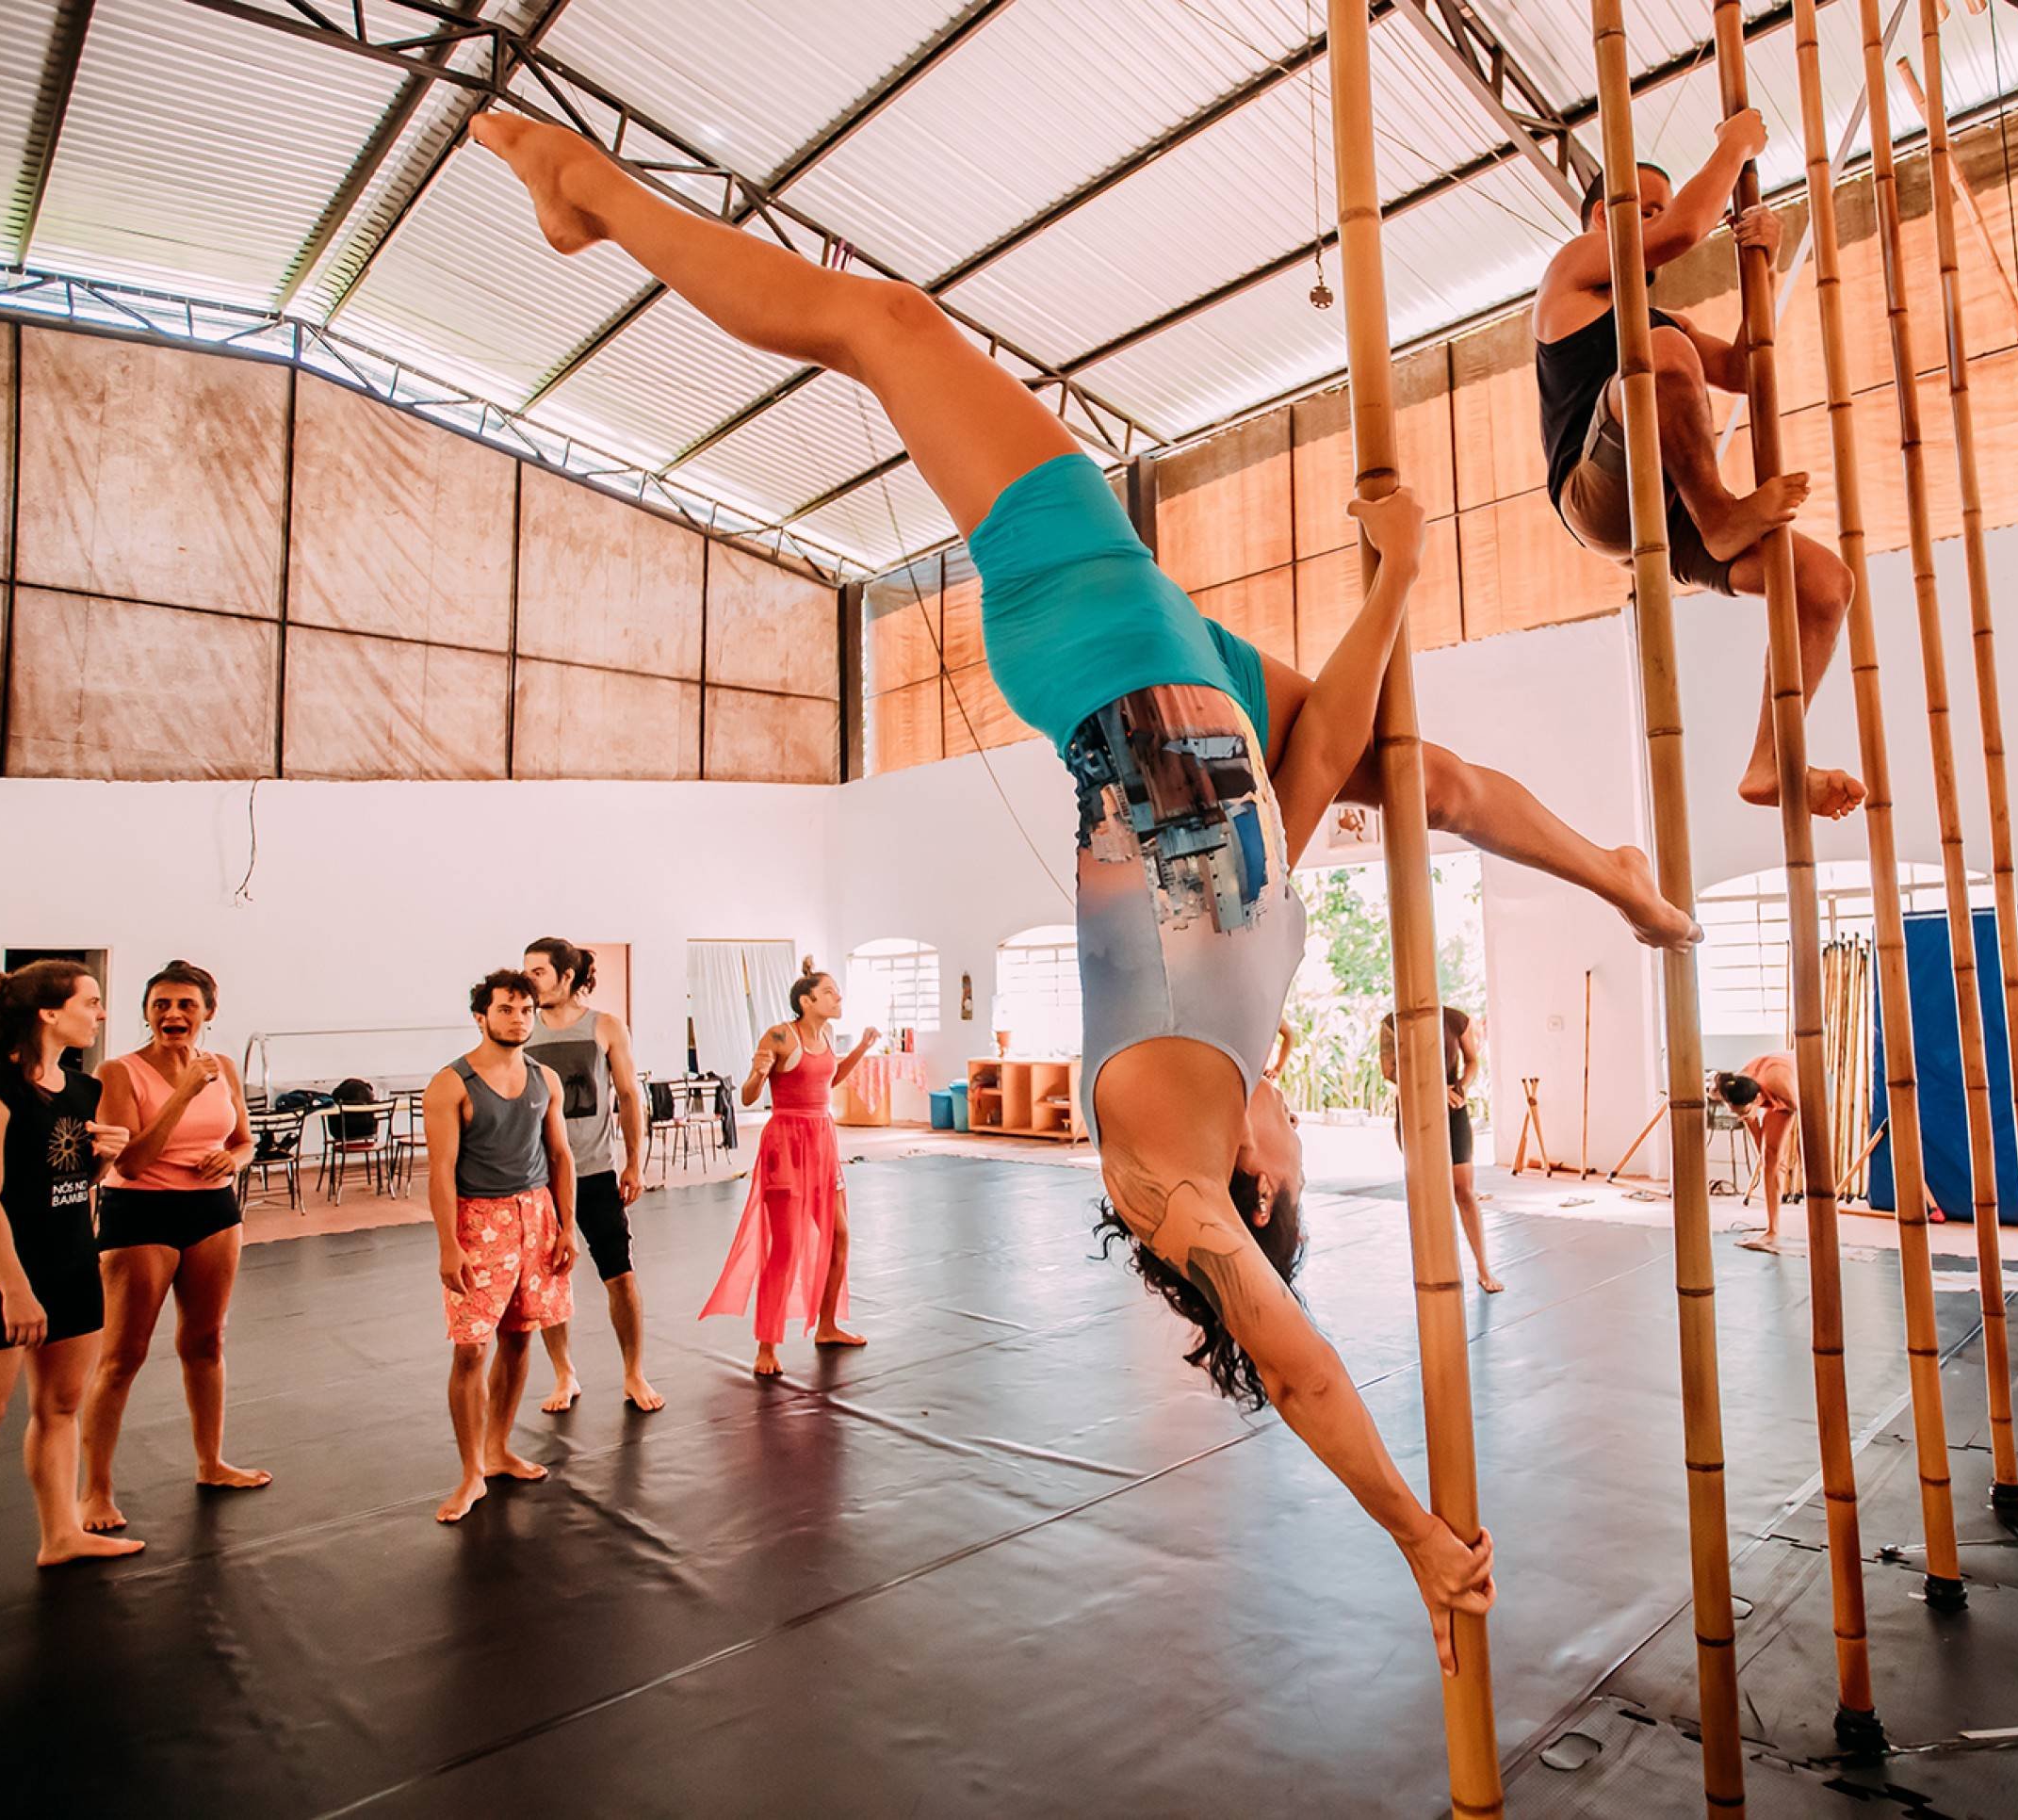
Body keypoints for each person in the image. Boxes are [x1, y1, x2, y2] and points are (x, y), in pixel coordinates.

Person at [473, 113, 1492, 1670]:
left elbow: (1284, 1364)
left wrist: (1415, 1534)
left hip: (1090, 659)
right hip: (1150, 658)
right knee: (884, 328)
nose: (1300, 1126)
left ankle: (591, 194)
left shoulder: (1169, 1175)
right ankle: (588, 197)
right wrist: (1399, 571)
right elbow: (1336, 744)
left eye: (1293, 1164)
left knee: (880, 325)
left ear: (1261, 1193)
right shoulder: (1257, 986)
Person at [1534, 107, 1864, 822]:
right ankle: (1719, 513)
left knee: (1822, 584)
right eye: (1639, 211)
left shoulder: (1670, 326)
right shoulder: (1567, 276)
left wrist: (1761, 264)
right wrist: (1735, 145)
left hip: (1673, 510)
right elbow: (1684, 230)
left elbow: (1748, 371)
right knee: (1659, 354)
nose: (1657, 219)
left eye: (1660, 204)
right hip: (1597, 497)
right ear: (1600, 222)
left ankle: (1772, 762)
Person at [0, 961, 144, 1636]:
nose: (100, 1014)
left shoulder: (82, 1087)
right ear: (49, 1013)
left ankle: (61, 1534)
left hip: (74, 1266)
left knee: (61, 1406)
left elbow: (68, 1181)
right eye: (92, 1002)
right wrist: (14, 1291)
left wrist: (105, 1157)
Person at [76, 961, 269, 1534]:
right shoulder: (119, 1072)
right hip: (141, 1213)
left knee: (206, 1341)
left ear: (208, 1012)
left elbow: (244, 1141)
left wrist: (230, 1161)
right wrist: (183, 1094)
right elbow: (129, 1162)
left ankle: (211, 1463)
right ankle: (96, 1491)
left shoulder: (224, 1068)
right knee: (123, 1356)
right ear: (146, 1012)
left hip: (211, 1210)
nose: (173, 1014)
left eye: (186, 1005)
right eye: (161, 1004)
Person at [423, 969, 578, 1524]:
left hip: (536, 1215)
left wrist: (567, 1226)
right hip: (478, 1219)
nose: (518, 1018)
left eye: (526, 1010)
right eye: (506, 1009)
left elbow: (560, 1157)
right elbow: (440, 1173)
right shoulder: (450, 1084)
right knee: (471, 1348)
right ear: (481, 1016)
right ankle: (470, 1475)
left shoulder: (545, 1079)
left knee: (519, 1336)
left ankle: (498, 1449)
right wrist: (449, 1246)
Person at [702, 962, 877, 1378]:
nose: (839, 998)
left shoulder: (827, 1035)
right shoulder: (780, 1035)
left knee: (839, 1236)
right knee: (786, 1245)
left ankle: (828, 1325)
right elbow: (746, 1096)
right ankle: (767, 1345)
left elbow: (828, 1080)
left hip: (822, 1140)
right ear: (807, 1000)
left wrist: (863, 1049)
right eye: (831, 992)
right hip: (786, 1142)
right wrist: (759, 1073)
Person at [522, 937, 662, 1415]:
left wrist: (633, 1162)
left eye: (539, 972)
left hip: (595, 1170)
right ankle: (564, 1374)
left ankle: (633, 1373)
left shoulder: (604, 1026)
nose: (531, 980)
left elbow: (626, 1094)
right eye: (528, 971)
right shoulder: (525, 1028)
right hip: (538, 1175)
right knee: (548, 1281)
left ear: (567, 976)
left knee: (619, 1276)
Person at [1378, 1005, 1501, 1292]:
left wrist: (1460, 1087)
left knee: (1464, 1190)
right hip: (1415, 1108)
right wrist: (1431, 1087)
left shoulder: (1457, 1020)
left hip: (1452, 1108)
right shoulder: (1390, 1023)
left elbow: (1472, 1062)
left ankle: (1483, 1269)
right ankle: (1435, 1269)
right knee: (1428, 1193)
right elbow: (1390, 1071)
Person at [1714, 1052, 1798, 1250]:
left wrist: (1788, 1155)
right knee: (1769, 1160)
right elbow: (1753, 1126)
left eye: (1742, 1112)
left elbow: (1803, 1114)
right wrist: (1767, 1157)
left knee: (1775, 1156)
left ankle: (1773, 1229)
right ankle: (1772, 1230)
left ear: (1758, 1098)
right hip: (1766, 1088)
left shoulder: (1782, 1087)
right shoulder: (1737, 1088)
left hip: (1792, 1084)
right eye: (1735, 1112)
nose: (1739, 1116)